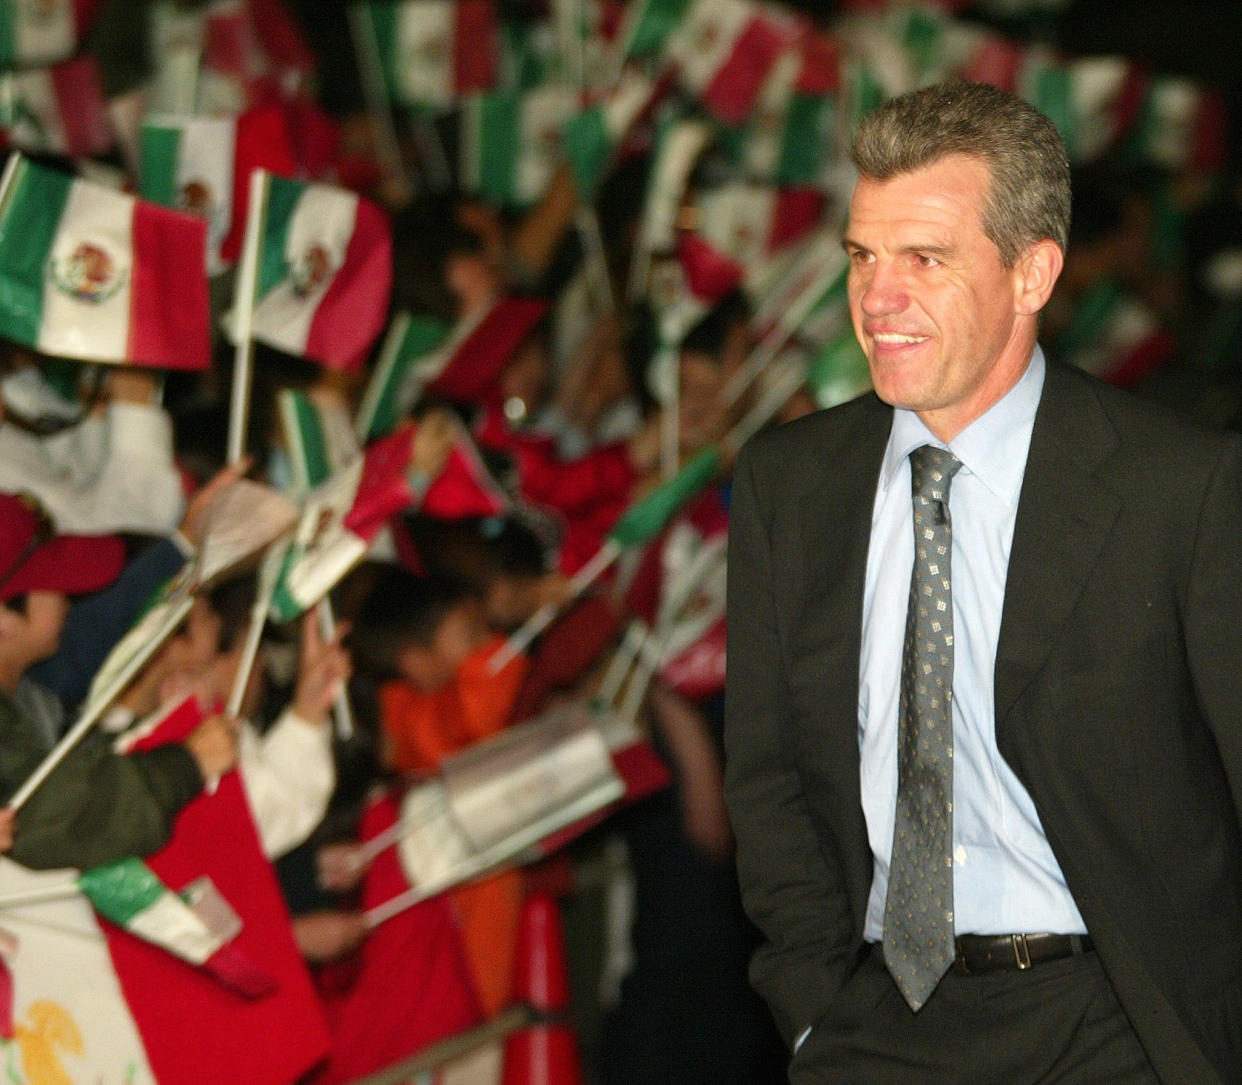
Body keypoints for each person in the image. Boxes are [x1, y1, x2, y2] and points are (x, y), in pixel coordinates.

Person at [723, 80, 1242, 1084]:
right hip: (872, 1020)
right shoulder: (792, 484)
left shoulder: (1179, 487)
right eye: (863, 257)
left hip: (1115, 1022)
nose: (878, 299)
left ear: (1032, 273)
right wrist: (811, 1011)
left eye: (925, 259)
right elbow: (773, 777)